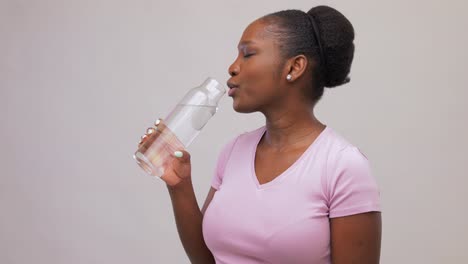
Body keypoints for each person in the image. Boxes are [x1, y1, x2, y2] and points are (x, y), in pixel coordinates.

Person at [139, 5, 381, 264]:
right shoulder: (234, 151)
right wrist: (179, 187)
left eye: (248, 54)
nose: (232, 68)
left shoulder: (343, 166)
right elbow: (208, 260)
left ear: (295, 66)